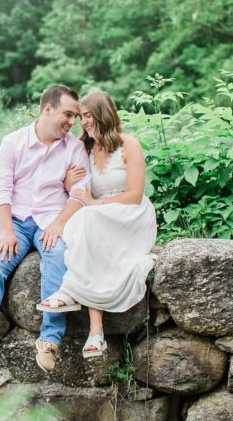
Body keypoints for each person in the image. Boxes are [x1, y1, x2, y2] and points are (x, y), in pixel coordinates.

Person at [0, 85, 90, 373]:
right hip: (14, 220)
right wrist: (6, 231)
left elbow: (80, 192)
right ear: (47, 109)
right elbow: (1, 190)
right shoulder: (13, 143)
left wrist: (60, 223)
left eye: (75, 116)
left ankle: (50, 341)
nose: (72, 122)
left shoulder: (74, 148)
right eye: (67, 114)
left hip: (51, 219)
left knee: (57, 255)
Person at [37, 91, 157, 359]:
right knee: (84, 227)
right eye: (81, 117)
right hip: (98, 214)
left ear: (103, 113)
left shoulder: (129, 145)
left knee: (86, 219)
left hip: (130, 214)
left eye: (88, 116)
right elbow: (75, 188)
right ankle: (95, 334)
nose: (83, 123)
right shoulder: (86, 148)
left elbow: (135, 195)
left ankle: (69, 290)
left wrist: (93, 204)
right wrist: (70, 183)